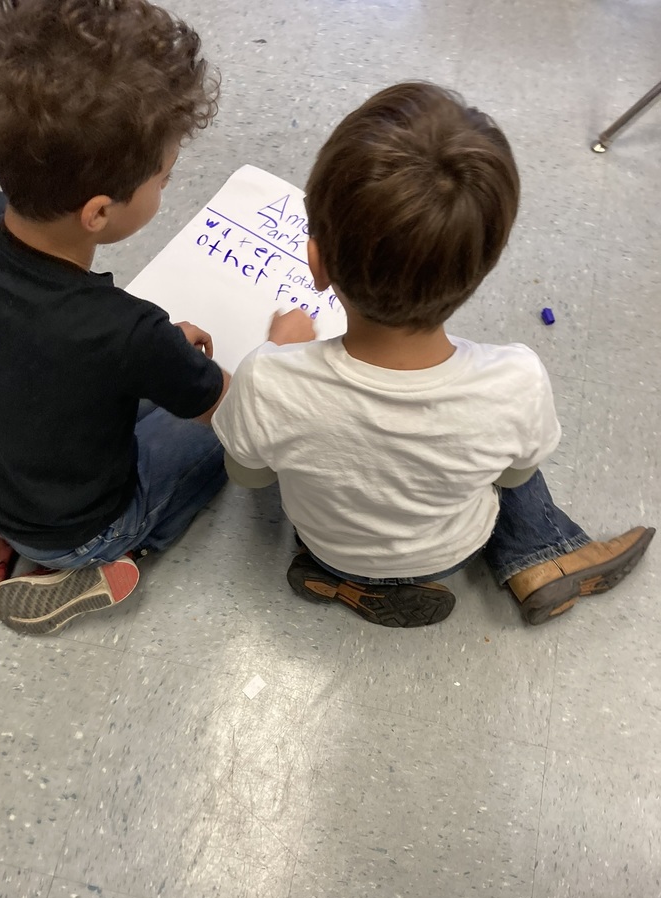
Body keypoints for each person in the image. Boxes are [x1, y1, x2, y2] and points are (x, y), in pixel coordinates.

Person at [212, 83, 655, 628]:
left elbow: (249, 476)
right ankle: (538, 556)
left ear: (317, 264)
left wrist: (282, 349)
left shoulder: (266, 378)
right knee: (516, 447)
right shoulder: (515, 378)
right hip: (452, 552)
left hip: (329, 545)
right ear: (482, 271)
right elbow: (514, 481)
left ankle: (341, 582)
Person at [0, 0, 232, 635]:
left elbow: (36, 341)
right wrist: (277, 348)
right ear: (98, 213)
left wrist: (156, 354)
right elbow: (224, 403)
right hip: (82, 526)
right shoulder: (127, 331)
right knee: (225, 442)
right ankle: (93, 565)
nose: (166, 188)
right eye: (164, 177)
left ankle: (3, 529)